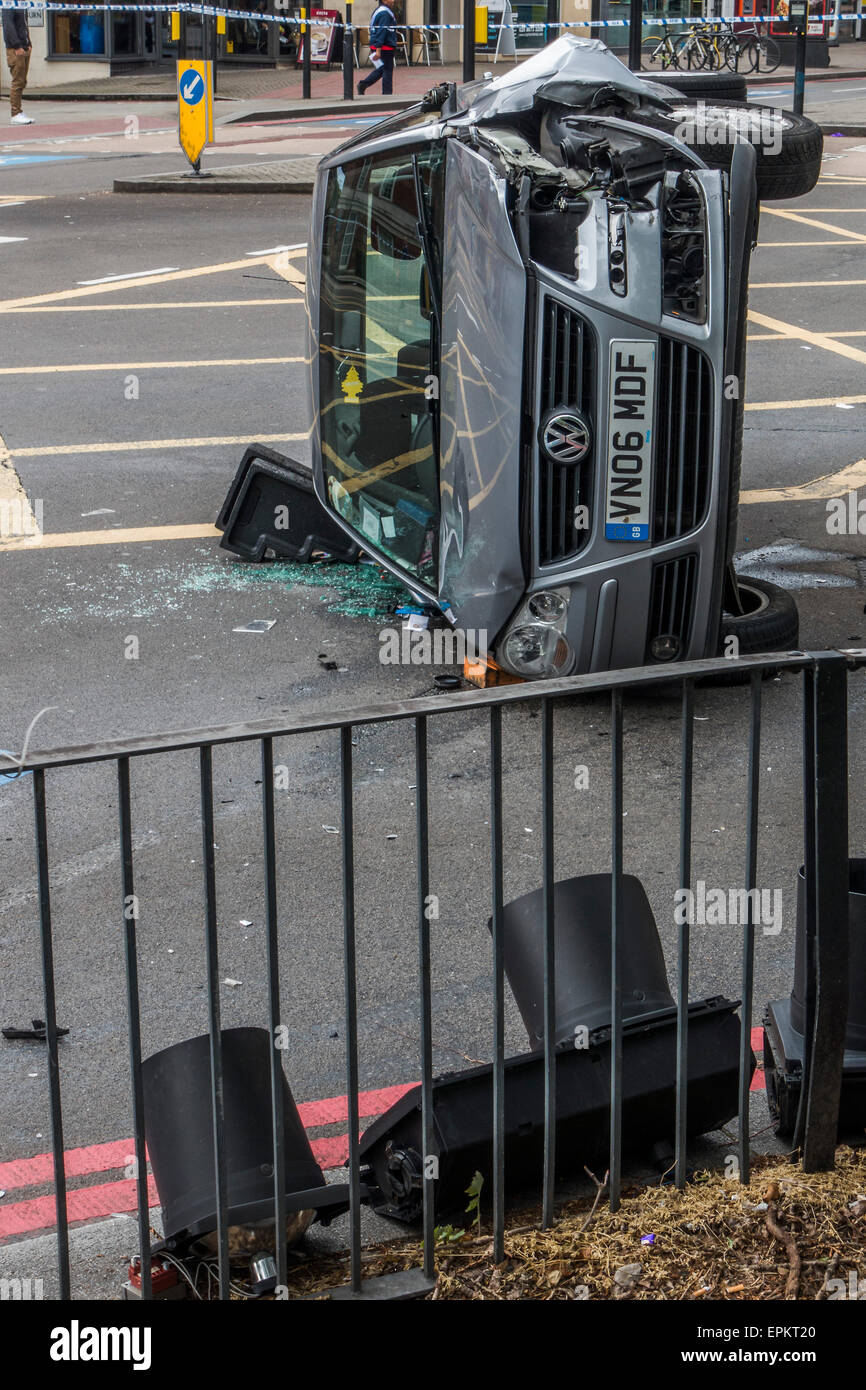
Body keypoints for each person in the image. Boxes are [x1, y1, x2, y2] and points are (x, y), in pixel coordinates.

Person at [358, 2, 397, 97]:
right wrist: (378, 50)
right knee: (387, 71)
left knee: (382, 69)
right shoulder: (385, 13)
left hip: (378, 45)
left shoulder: (379, 11)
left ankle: (363, 84)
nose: (393, 1)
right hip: (384, 46)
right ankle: (387, 95)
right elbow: (382, 31)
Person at [3, 4, 33, 125]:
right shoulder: (8, 4)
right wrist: (16, 46)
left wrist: (29, 43)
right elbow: (8, 27)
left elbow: (24, 26)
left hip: (24, 47)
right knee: (17, 81)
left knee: (22, 81)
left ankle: (19, 111)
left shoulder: (21, 4)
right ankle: (15, 114)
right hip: (16, 49)